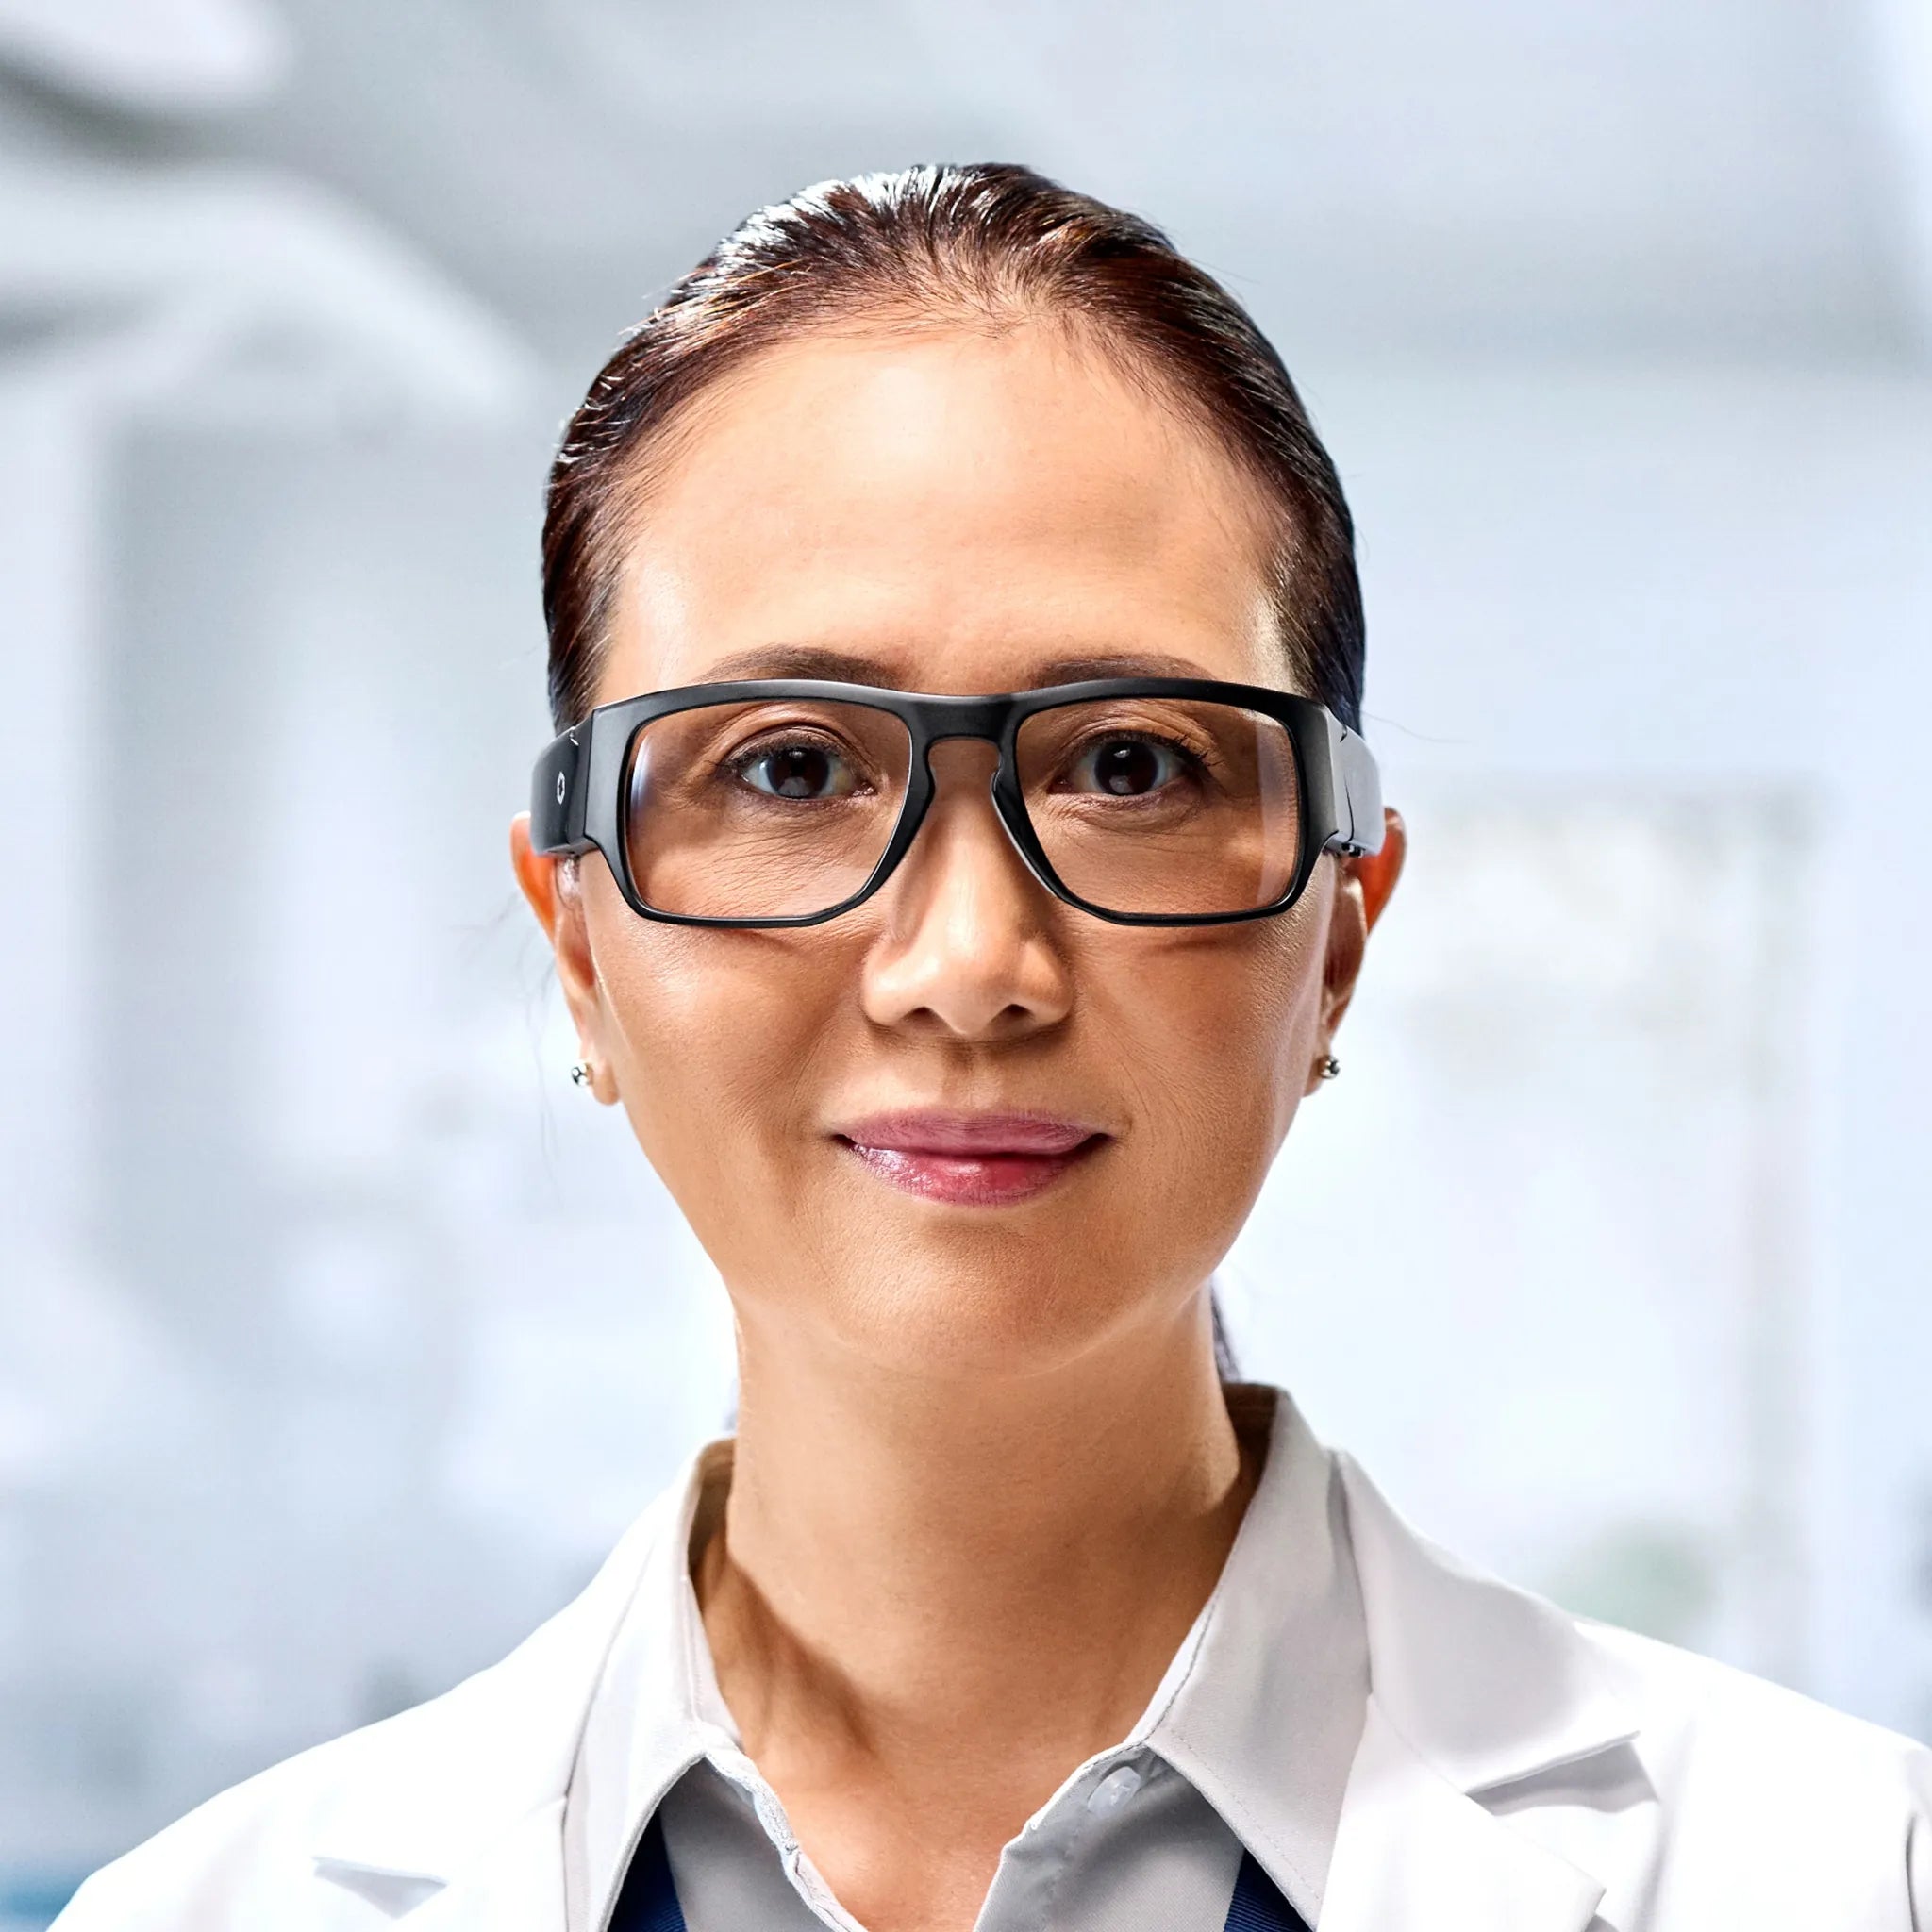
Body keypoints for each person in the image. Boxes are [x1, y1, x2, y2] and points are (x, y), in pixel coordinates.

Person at [55, 163, 1930, 1932]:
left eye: (1131, 767)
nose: (966, 966)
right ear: (578, 945)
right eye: (787, 767)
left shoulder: (1848, 1877)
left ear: (1338, 936)